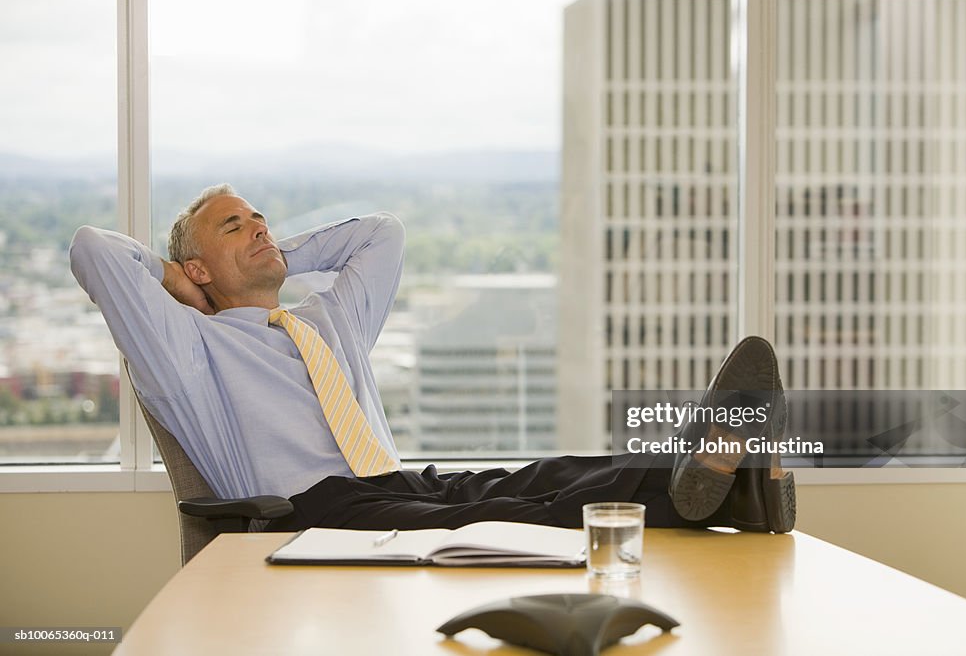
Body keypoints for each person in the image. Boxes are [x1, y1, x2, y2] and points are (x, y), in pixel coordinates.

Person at [70, 183, 794, 533]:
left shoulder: (325, 318)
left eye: (263, 218)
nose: (262, 227)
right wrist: (174, 282)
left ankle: (721, 479)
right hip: (312, 510)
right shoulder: (189, 349)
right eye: (237, 226)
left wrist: (274, 256)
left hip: (394, 478)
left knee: (549, 473)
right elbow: (93, 251)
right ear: (195, 270)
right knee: (510, 517)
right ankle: (734, 489)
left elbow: (381, 233)